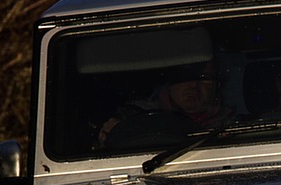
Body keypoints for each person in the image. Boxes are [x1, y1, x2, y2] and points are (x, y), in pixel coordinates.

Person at [98, 60, 232, 144]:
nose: (193, 85)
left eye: (204, 78)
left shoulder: (232, 127)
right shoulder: (132, 116)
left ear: (217, 85)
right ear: (169, 82)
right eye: (184, 77)